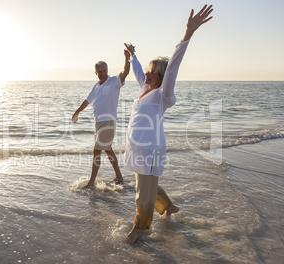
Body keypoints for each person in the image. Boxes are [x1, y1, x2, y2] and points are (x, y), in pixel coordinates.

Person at [124, 5, 214, 243]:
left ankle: (140, 229)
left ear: (162, 76)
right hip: (138, 150)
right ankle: (168, 207)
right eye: (147, 71)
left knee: (142, 193)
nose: (147, 74)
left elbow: (173, 66)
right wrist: (133, 55)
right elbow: (137, 72)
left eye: (152, 72)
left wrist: (187, 34)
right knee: (146, 185)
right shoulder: (144, 90)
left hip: (150, 151)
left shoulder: (163, 94)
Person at [72, 49, 131, 189]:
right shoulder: (96, 86)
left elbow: (125, 72)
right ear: (96, 73)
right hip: (98, 123)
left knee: (96, 150)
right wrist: (77, 112)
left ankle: (91, 182)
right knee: (108, 150)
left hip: (109, 122)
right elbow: (87, 101)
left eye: (104, 71)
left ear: (107, 70)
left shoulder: (114, 82)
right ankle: (119, 177)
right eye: (100, 72)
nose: (103, 73)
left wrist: (127, 57)